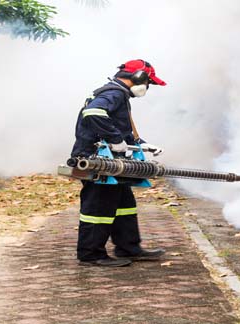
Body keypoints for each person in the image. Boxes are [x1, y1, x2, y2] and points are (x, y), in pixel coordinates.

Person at [70, 59, 167, 267]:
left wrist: (141, 144)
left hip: (112, 161)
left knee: (125, 205)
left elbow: (120, 129)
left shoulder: (119, 95)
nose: (148, 88)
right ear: (139, 77)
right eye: (148, 82)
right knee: (99, 208)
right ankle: (91, 255)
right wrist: (115, 139)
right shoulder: (114, 94)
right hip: (96, 161)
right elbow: (93, 113)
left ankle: (128, 248)